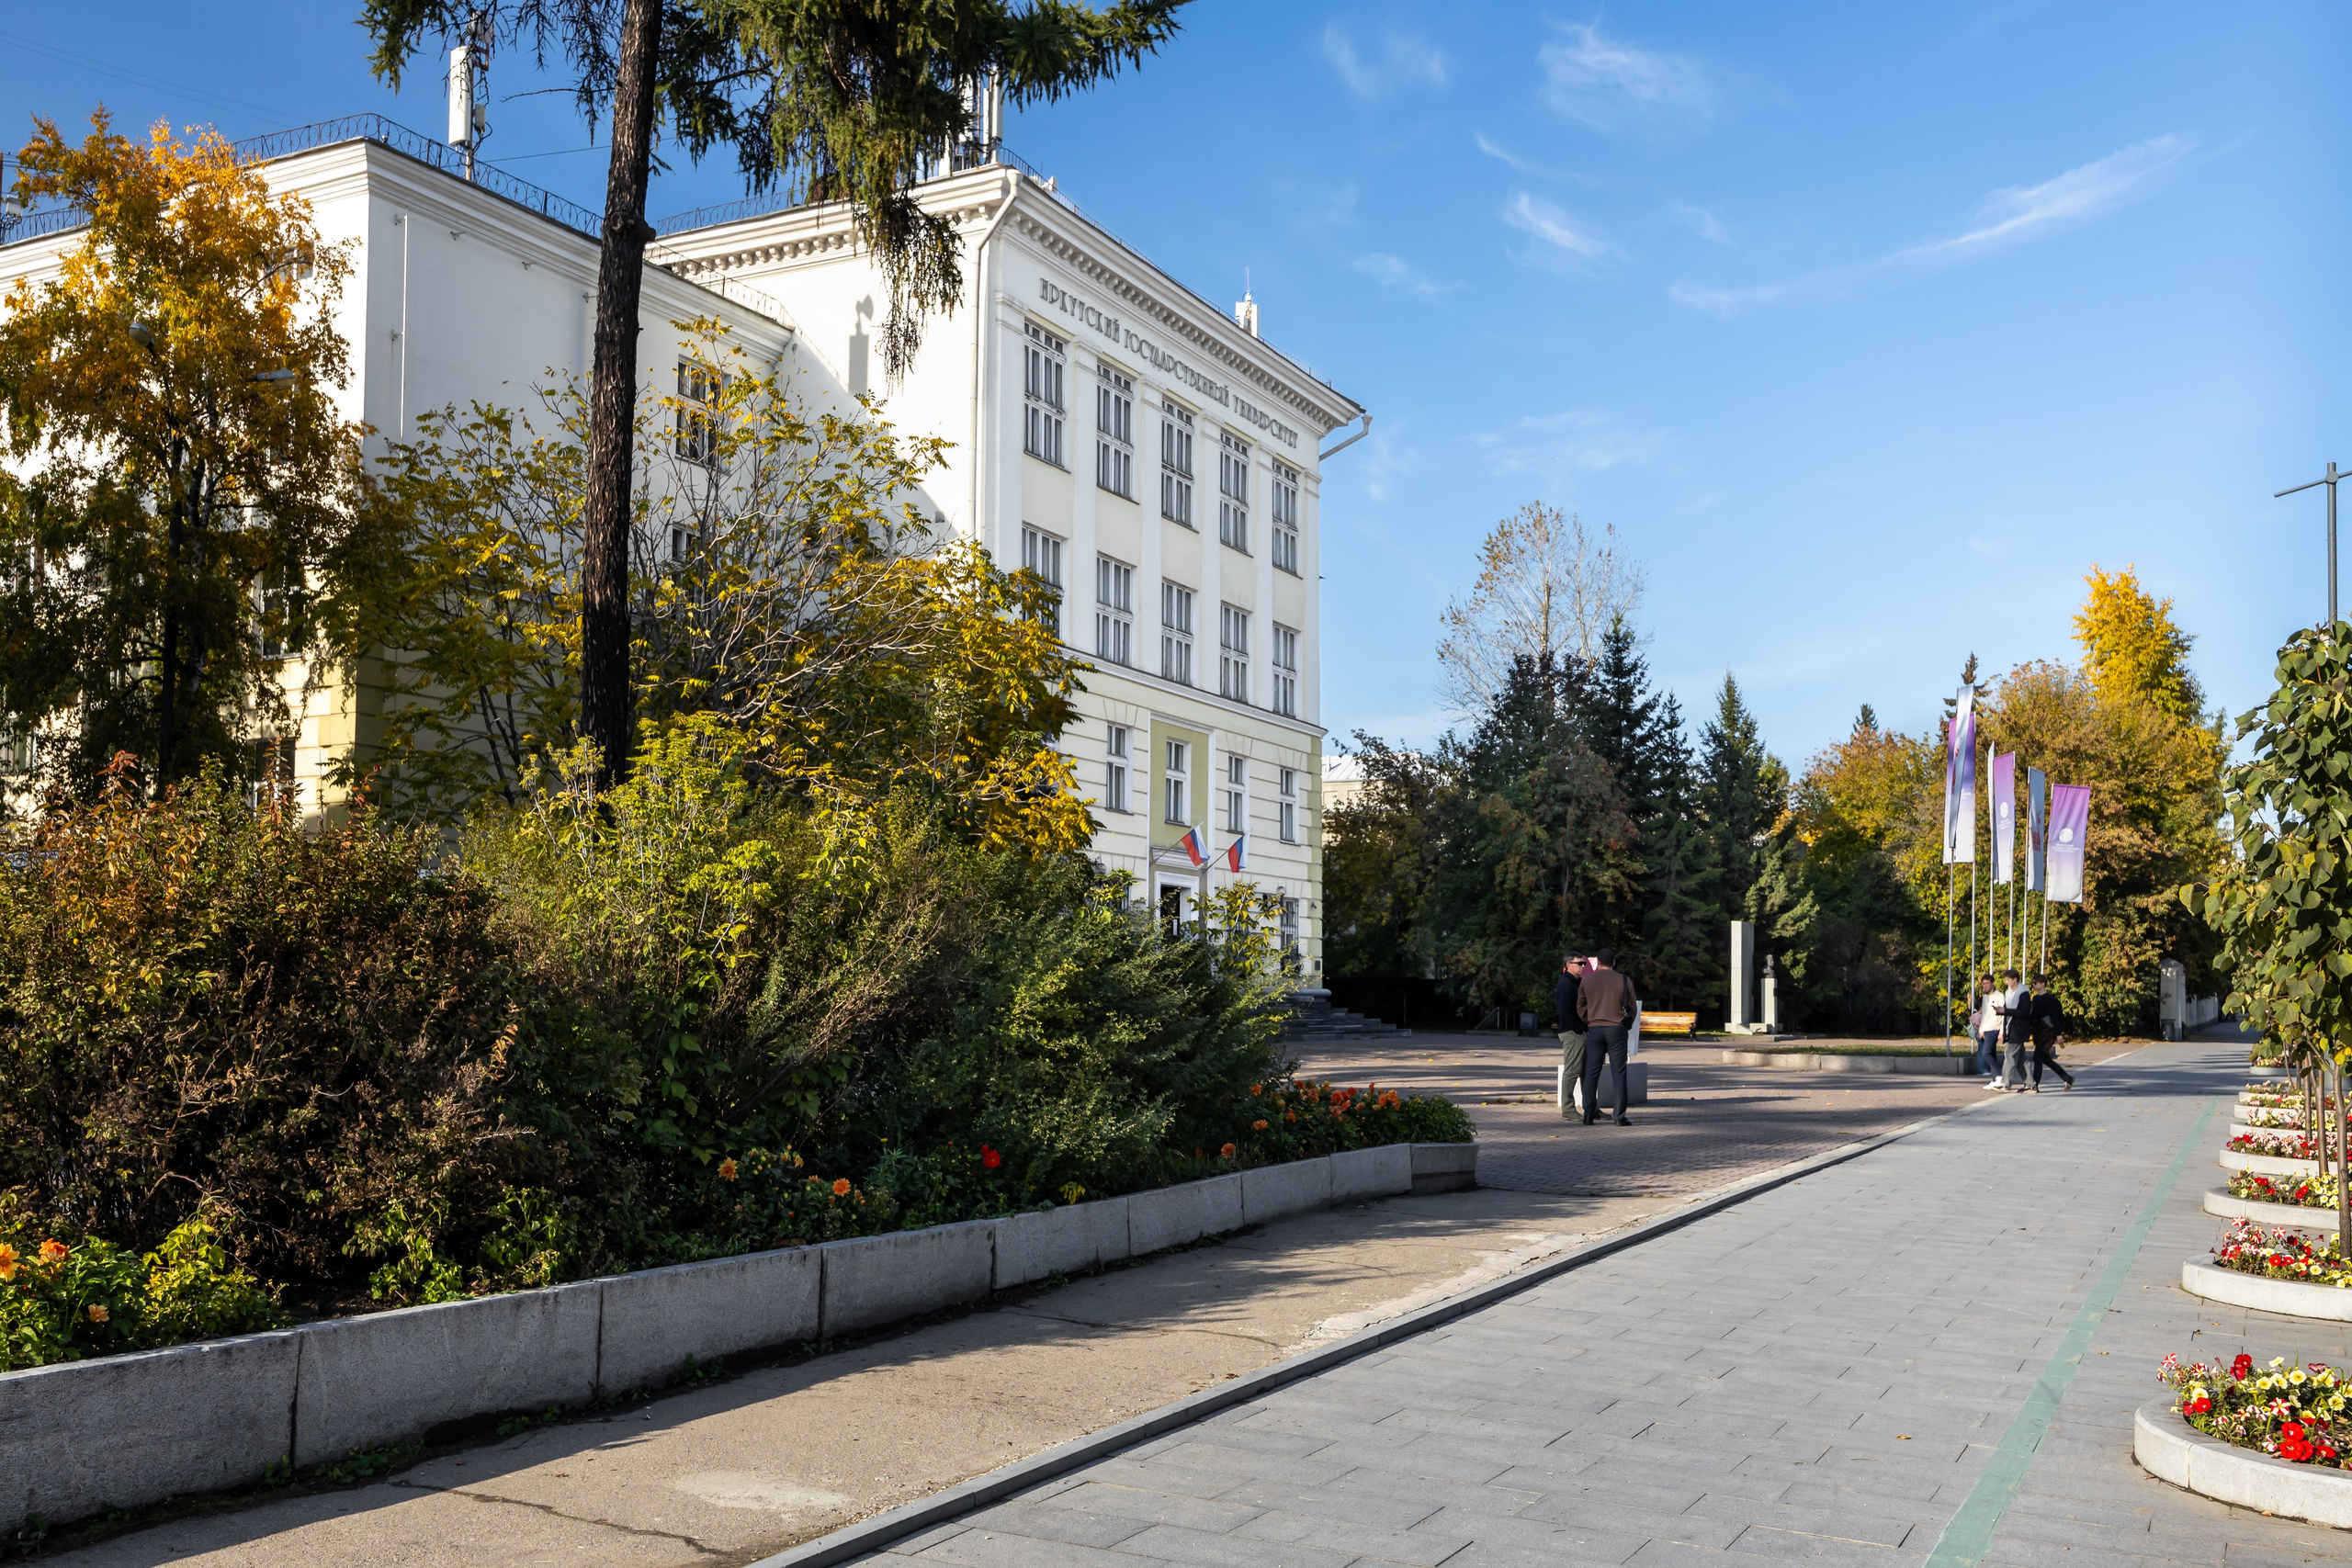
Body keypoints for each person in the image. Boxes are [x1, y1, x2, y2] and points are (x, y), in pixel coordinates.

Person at [1576, 948, 1637, 1126]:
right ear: (1614, 962)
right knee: (1618, 1073)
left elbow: (1580, 1006)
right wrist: (1627, 1024)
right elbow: (1633, 1007)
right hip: (1616, 1029)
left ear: (1597, 962)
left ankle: (1588, 1114)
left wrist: (1589, 1020)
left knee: (1591, 1072)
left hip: (1595, 1029)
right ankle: (1618, 1116)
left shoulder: (1587, 980)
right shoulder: (1624, 980)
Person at [2027, 975, 2074, 1090]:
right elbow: (2033, 1016)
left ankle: (2035, 1085)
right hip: (2038, 1031)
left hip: (2048, 1031)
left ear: (2043, 984)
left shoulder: (2050, 999)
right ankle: (2067, 1078)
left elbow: (2054, 1017)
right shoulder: (2036, 999)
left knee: (2037, 1057)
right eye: (2033, 983)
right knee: (2045, 1059)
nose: (2034, 985)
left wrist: (2058, 1034)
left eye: (2036, 982)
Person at [1554, 953, 1586, 1121]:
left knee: (1586, 1071)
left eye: (1584, 964)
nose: (1582, 966)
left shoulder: (1574, 982)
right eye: (1579, 963)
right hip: (1572, 1033)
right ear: (1568, 964)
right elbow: (1565, 1012)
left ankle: (1591, 1107)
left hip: (1578, 1032)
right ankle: (1568, 1108)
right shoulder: (1566, 984)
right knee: (1572, 1070)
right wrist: (1578, 1030)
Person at [1997, 968, 2031, 1089]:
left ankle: (2005, 1083)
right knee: (2021, 1059)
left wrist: (2005, 1011)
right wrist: (2001, 1012)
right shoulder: (2008, 992)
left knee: (2009, 1055)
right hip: (2011, 1028)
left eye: (2008, 980)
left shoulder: (2023, 992)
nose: (2006, 982)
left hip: (2018, 1029)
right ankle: (2030, 1083)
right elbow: (2007, 1011)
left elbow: (2025, 1011)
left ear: (2015, 979)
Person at [1972, 975, 2003, 1085]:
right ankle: (1995, 1079)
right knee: (1991, 1053)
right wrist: (1982, 1029)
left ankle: (1998, 1076)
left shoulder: (2000, 996)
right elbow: (1984, 1015)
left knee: (1986, 1052)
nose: (1985, 986)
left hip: (1995, 1028)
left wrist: (2002, 1031)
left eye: (1987, 983)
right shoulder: (1985, 997)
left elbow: (2003, 1014)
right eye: (1983, 984)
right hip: (1986, 1028)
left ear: (1993, 983)